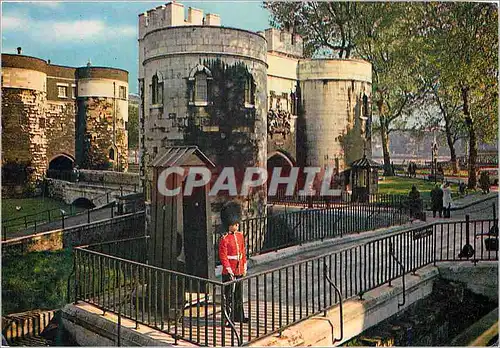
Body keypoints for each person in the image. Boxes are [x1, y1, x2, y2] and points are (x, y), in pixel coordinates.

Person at [218, 201, 249, 325]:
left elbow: (242, 251)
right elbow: (223, 256)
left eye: (237, 224)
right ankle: (227, 318)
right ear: (229, 225)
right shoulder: (224, 239)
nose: (236, 226)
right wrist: (228, 269)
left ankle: (239, 315)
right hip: (229, 270)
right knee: (228, 296)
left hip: (239, 268)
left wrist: (244, 265)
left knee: (238, 294)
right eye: (234, 225)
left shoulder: (240, 236)